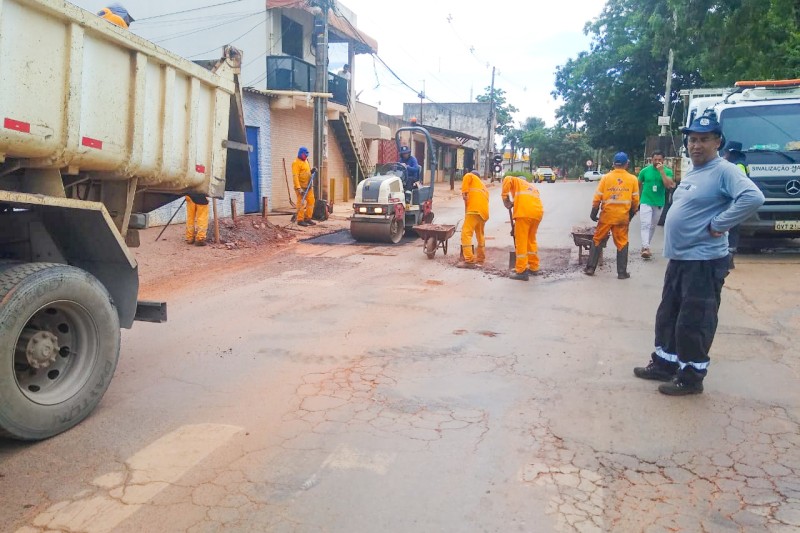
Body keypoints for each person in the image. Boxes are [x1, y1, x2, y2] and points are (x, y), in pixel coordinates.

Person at [633, 114, 764, 395]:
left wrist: (720, 224)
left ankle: (691, 377)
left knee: (695, 319)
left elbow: (753, 197)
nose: (697, 145)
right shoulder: (694, 171)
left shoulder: (724, 170)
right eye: (693, 140)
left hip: (704, 260)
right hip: (681, 258)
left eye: (704, 139)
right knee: (669, 314)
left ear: (717, 142)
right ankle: (665, 364)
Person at [584, 152, 640, 279]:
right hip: (622, 217)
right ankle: (622, 272)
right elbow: (635, 200)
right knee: (622, 242)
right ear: (627, 164)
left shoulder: (606, 178)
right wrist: (630, 215)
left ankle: (590, 268)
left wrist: (594, 212)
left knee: (597, 239)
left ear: (614, 164)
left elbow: (598, 196)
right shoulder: (632, 179)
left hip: (606, 215)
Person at [502, 175, 544, 281]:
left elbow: (507, 179)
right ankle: (534, 267)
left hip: (524, 213)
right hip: (537, 214)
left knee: (521, 240)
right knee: (531, 240)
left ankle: (521, 271)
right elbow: (526, 202)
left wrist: (505, 198)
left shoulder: (517, 182)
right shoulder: (532, 188)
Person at [637, 150, 676, 258]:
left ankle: (645, 245)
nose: (657, 161)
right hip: (645, 200)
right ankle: (646, 247)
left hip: (659, 202)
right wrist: (637, 199)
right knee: (645, 224)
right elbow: (637, 184)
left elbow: (669, 185)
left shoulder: (667, 171)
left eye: (659, 160)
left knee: (652, 226)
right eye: (655, 159)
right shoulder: (644, 171)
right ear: (651, 159)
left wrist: (662, 172)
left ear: (663, 160)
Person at [722, 141, 749, 269]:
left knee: (731, 231)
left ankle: (728, 260)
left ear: (732, 153)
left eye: (727, 152)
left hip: (735, 203)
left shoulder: (738, 166)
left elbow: (736, 186)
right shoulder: (740, 163)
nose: (725, 155)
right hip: (737, 203)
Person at [457, 171, 489, 269]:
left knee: (466, 233)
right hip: (483, 213)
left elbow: (468, 175)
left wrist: (464, 193)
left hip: (474, 210)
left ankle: (469, 260)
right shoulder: (484, 188)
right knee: (480, 235)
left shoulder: (471, 177)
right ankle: (480, 258)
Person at [292, 146, 316, 227]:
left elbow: (306, 172)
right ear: (300, 153)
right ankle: (300, 220)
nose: (306, 156)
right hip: (301, 188)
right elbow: (295, 176)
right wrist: (299, 188)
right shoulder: (295, 163)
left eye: (307, 155)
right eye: (305, 155)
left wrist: (311, 171)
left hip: (308, 186)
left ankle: (307, 218)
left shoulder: (306, 161)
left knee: (311, 202)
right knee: (301, 203)